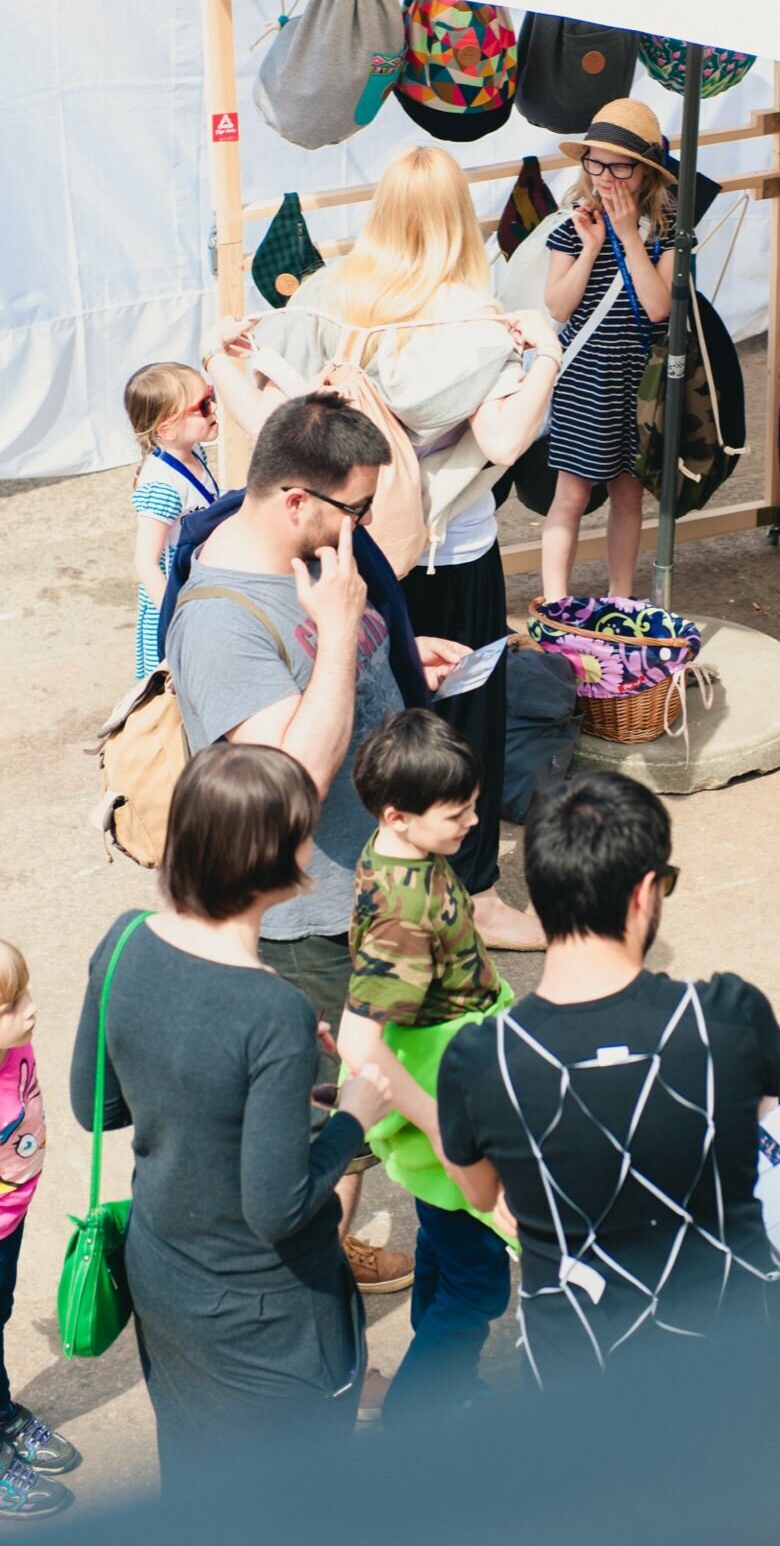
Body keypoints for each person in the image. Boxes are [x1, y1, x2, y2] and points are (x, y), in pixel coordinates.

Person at [207, 146, 560, 953]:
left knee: (364, 715)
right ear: (454, 218)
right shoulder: (476, 323)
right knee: (460, 722)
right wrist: (543, 351)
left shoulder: (324, 304)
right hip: (446, 551)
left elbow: (270, 420)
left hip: (340, 551)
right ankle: (467, 896)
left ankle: (377, 880)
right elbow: (504, 437)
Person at [163, 390, 459, 1292]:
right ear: (296, 499)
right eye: (356, 510)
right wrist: (338, 638)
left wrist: (377, 650)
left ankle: (329, 1247)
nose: (364, 529)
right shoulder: (218, 622)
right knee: (328, 1119)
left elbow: (331, 678)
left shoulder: (312, 558)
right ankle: (311, 1289)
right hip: (315, 920)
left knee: (365, 1106)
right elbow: (291, 786)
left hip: (367, 894)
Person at [69, 746, 393, 1479]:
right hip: (264, 1311)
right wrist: (354, 1114)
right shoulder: (271, 1009)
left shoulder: (120, 942)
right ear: (275, 855)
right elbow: (277, 1208)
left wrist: (253, 1097)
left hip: (164, 1276)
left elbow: (99, 1106)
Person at [437, 770, 780, 1388]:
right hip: (737, 1353)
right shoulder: (730, 1018)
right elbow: (759, 1117)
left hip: (576, 1371)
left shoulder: (481, 1060)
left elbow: (480, 1195)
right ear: (644, 892)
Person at [338, 710, 514, 1419]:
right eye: (456, 813)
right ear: (397, 814)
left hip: (453, 1084)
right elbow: (361, 1041)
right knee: (477, 1285)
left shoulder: (398, 854)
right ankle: (422, 1410)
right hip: (451, 1101)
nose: (471, 822)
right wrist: (440, 1127)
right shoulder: (401, 916)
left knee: (444, 1254)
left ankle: (443, 1380)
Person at [541, 99, 677, 601]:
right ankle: (555, 602)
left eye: (619, 165)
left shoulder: (667, 237)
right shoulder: (570, 228)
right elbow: (558, 306)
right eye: (595, 163)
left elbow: (659, 307)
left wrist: (627, 237)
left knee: (627, 491)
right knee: (571, 493)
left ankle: (621, 597)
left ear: (645, 172)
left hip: (640, 378)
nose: (606, 177)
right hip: (584, 376)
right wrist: (593, 246)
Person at [0, 941, 79, 1521]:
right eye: (9, 1006)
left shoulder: (14, 1046)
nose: (30, 1009)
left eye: (23, 994)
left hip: (10, 1218)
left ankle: (1, 1411)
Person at [123, 362, 220, 677]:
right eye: (203, 405)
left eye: (211, 395)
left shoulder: (194, 453)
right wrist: (176, 617)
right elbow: (146, 562)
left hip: (199, 588)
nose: (214, 407)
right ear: (166, 428)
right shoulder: (163, 486)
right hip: (174, 602)